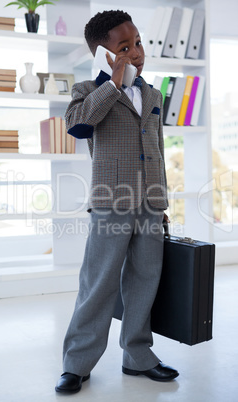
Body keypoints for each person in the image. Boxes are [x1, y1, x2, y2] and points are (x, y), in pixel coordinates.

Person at [55, 10, 179, 394]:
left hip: (149, 202)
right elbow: (77, 125)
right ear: (103, 55)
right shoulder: (89, 91)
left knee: (145, 280)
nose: (136, 52)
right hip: (112, 201)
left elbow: (157, 148)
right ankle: (77, 363)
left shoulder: (153, 93)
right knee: (99, 283)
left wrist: (161, 202)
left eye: (138, 42)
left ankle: (138, 355)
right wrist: (112, 82)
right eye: (124, 48)